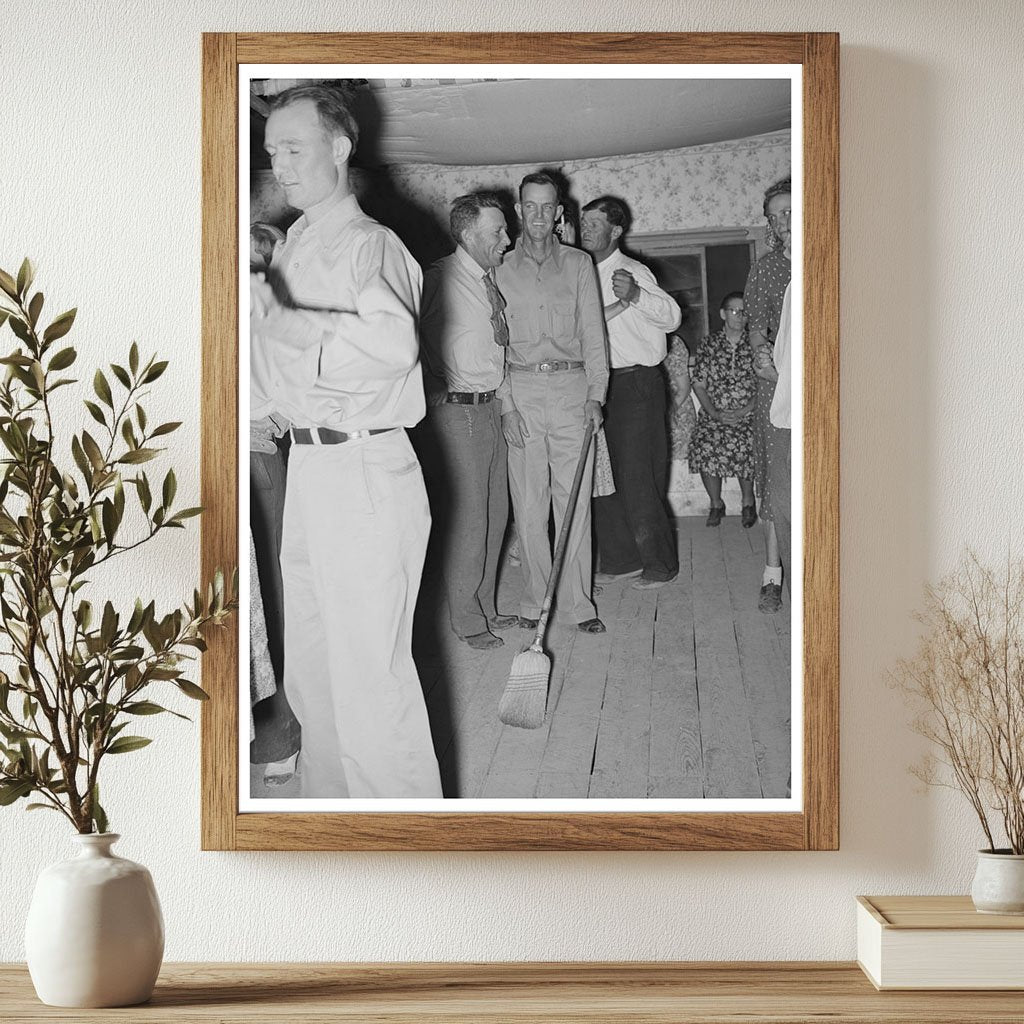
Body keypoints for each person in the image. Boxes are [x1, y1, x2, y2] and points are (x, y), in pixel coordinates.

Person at [250, 83, 442, 799]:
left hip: (365, 466)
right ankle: (334, 827)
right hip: (311, 468)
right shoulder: (296, 241)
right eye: (273, 153)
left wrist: (288, 323)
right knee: (312, 669)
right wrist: (260, 403)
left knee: (369, 677)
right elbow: (278, 357)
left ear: (339, 147)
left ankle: (408, 846)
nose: (281, 166)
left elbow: (393, 347)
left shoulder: (371, 245)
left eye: (294, 150)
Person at [496, 172, 608, 633]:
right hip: (520, 393)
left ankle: (579, 604)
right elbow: (494, 345)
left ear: (558, 211)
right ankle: (533, 598)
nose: (539, 215)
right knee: (528, 503)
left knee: (575, 501)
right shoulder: (498, 267)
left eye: (548, 206)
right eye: (530, 206)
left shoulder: (580, 264)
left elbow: (595, 338)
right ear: (519, 211)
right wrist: (505, 404)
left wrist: (596, 396)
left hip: (570, 391)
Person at [419, 193, 518, 650]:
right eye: (497, 231)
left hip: (490, 405)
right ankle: (466, 620)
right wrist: (430, 383)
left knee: (497, 514)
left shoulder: (485, 279)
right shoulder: (440, 277)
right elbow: (405, 335)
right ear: (468, 234)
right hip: (458, 412)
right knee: (469, 520)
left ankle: (486, 605)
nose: (507, 238)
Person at [580, 196, 681, 589]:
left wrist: (636, 296)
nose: (585, 228)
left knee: (639, 476)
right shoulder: (580, 271)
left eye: (593, 222)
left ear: (615, 231)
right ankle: (621, 558)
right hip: (600, 385)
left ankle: (659, 564)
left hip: (637, 382)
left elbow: (672, 318)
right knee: (603, 476)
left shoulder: (632, 270)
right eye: (583, 221)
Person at [248, 223, 301, 787]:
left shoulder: (273, 318)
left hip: (258, 463)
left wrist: (265, 419)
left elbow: (292, 400)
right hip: (221, 467)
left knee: (272, 605)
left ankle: (278, 739)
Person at [744, 176, 792, 613]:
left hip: (821, 384)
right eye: (775, 216)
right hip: (775, 386)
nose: (783, 223)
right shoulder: (766, 268)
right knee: (778, 486)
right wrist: (765, 358)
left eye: (790, 212)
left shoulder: (831, 254)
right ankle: (773, 575)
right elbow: (756, 326)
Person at [687, 292, 758, 528]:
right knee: (706, 444)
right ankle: (716, 504)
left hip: (747, 414)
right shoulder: (709, 344)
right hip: (714, 414)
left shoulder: (756, 345)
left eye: (744, 312)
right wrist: (714, 413)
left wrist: (744, 411)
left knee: (747, 443)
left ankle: (748, 503)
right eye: (735, 311)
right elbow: (698, 383)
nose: (740, 316)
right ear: (723, 314)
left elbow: (766, 385)